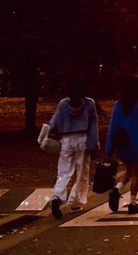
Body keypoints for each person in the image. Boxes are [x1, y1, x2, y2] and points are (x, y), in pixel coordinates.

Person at [47, 78, 99, 219]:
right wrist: (94, 145)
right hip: (83, 139)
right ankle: (76, 202)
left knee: (64, 172)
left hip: (66, 140)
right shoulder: (89, 103)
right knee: (82, 172)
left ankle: (57, 196)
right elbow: (93, 126)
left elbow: (55, 123)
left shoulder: (63, 104)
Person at [105, 75, 138, 215]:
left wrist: (109, 148)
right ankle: (132, 202)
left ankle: (117, 188)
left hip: (123, 144)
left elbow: (113, 128)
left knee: (129, 171)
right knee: (136, 173)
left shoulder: (119, 106)